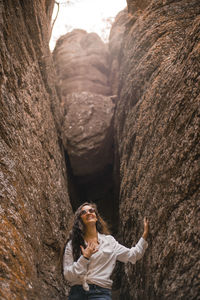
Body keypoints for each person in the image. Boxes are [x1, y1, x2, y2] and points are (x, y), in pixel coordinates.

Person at [63, 202, 149, 300]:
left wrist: (145, 235)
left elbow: (133, 255)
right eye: (83, 212)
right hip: (77, 293)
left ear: (96, 216)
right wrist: (84, 258)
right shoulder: (72, 245)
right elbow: (68, 275)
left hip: (100, 292)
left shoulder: (109, 241)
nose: (88, 213)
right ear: (80, 219)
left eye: (91, 210)